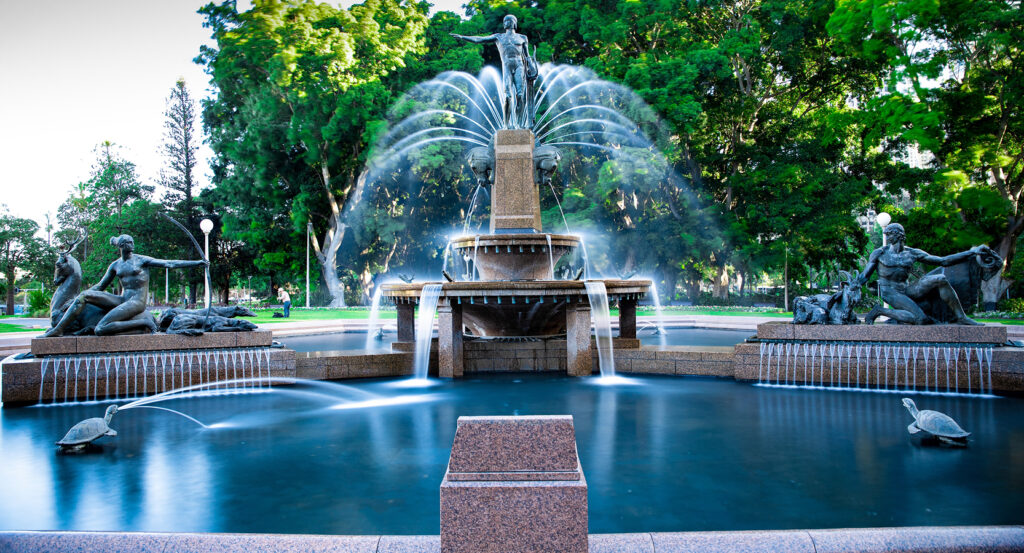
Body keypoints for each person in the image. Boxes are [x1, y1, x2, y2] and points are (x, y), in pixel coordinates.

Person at [45, 234, 208, 337]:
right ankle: (59, 329)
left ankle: (143, 323)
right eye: (129, 242)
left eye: (132, 242)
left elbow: (169, 263)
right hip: (123, 299)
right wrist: (76, 300)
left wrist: (197, 263)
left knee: (100, 329)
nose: (132, 244)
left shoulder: (141, 260)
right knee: (84, 296)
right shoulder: (115, 265)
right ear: (122, 246)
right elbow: (100, 286)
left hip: (136, 302)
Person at [857, 223, 985, 325]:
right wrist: (851, 287)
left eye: (889, 234)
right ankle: (879, 310)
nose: (887, 237)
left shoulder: (912, 253)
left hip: (906, 289)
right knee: (920, 319)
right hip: (889, 291)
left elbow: (943, 261)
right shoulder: (880, 253)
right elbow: (864, 276)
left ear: (898, 234)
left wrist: (971, 252)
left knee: (940, 278)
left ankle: (961, 317)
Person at [452, 14, 537, 128]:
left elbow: (527, 56)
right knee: (508, 96)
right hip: (507, 66)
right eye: (505, 21)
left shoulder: (522, 38)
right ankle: (506, 124)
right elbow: (480, 39)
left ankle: (519, 124)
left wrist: (531, 66)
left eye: (508, 20)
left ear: (514, 23)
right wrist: (463, 37)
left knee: (520, 95)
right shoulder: (499, 37)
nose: (506, 23)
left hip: (519, 66)